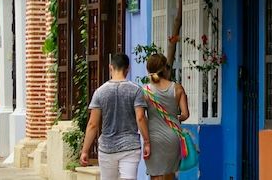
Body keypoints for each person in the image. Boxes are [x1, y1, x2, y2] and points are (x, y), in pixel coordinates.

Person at [79, 53, 150, 179]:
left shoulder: (100, 92)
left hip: (107, 148)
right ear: (128, 69)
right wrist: (147, 142)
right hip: (130, 147)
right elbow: (140, 117)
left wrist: (85, 150)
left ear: (110, 67)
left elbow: (93, 124)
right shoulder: (136, 90)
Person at [141, 51, 191, 180]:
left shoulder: (145, 91)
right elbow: (185, 114)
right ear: (164, 68)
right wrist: (173, 118)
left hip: (153, 138)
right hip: (173, 137)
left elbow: (141, 117)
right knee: (170, 174)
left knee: (155, 175)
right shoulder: (178, 88)